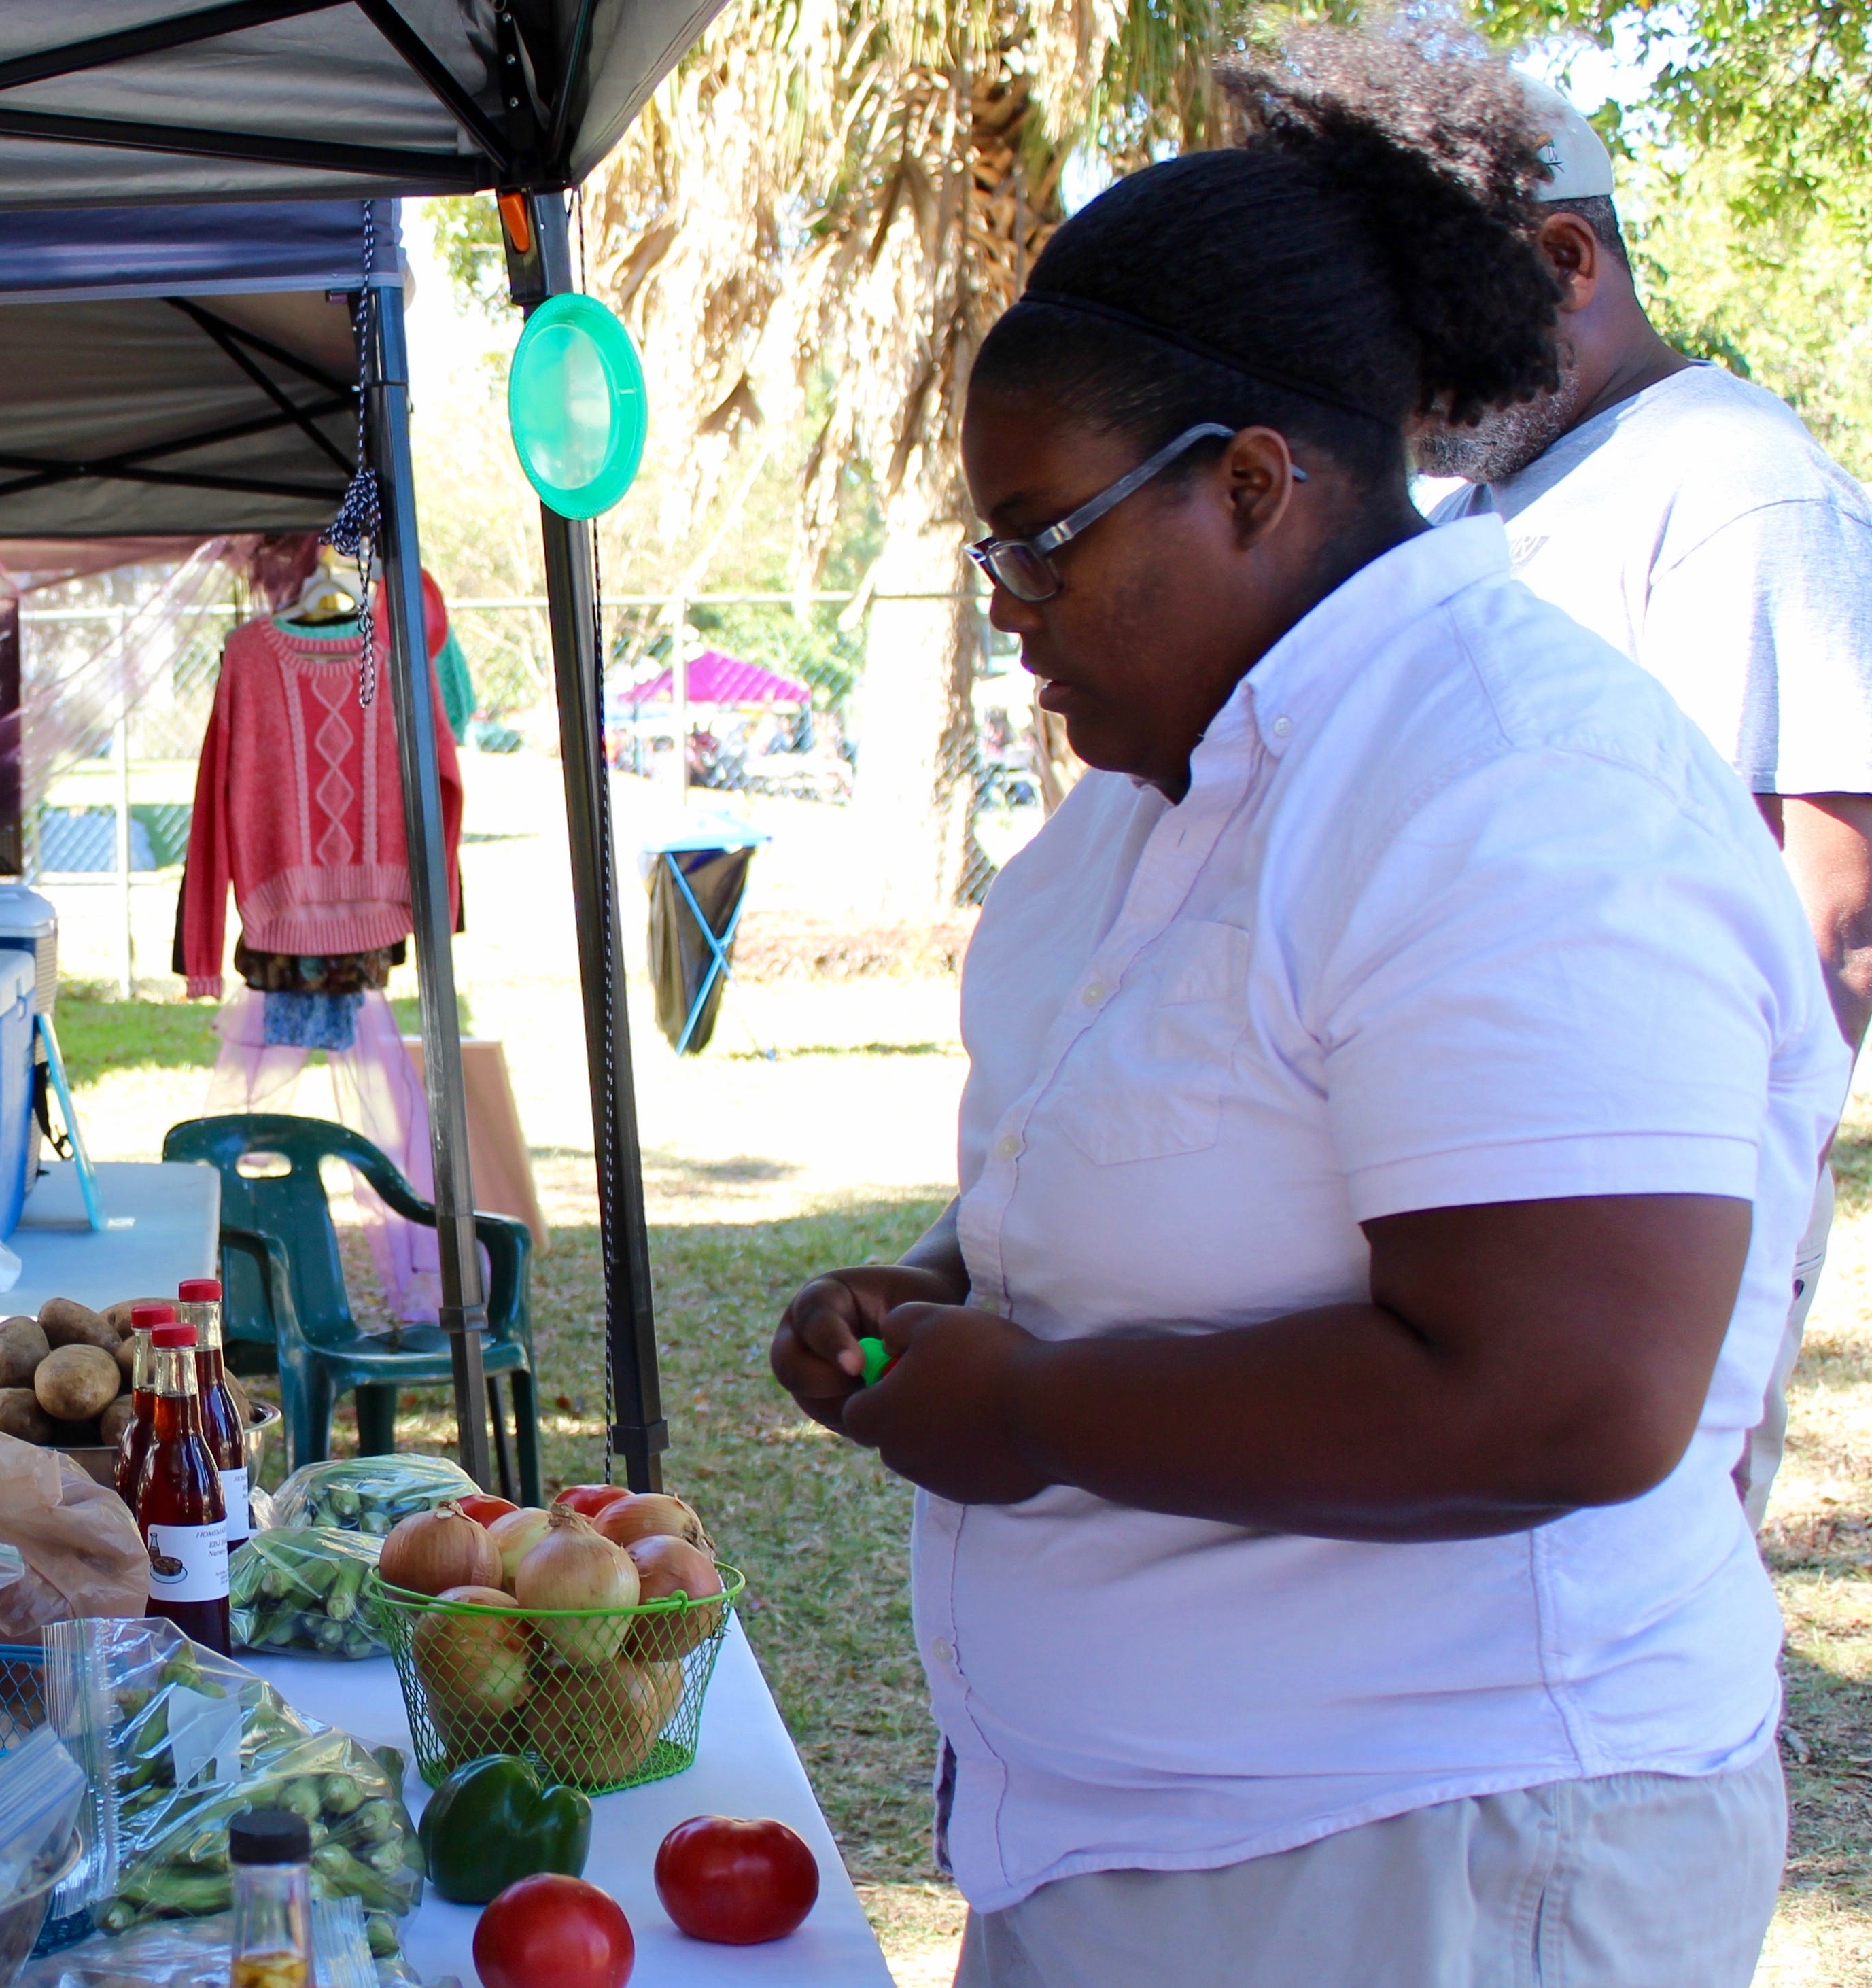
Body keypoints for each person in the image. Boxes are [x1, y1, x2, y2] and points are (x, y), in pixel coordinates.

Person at [767, 56, 1840, 1988]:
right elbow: (1185, 1166)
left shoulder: (1514, 783)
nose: (1004, 597)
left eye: (1040, 534)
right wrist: (943, 1280)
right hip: (1147, 1841)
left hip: (1442, 1852)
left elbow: (1562, 1388)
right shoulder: (1150, 798)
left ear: (1253, 482)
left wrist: (1023, 1406)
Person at [1363, 44, 1872, 1527]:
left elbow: (1831, 928)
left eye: (1424, 339)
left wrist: (1717, 1296)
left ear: (1567, 259)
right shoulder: (1488, 498)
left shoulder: (1737, 489)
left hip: (1658, 1232)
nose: (1400, 397)